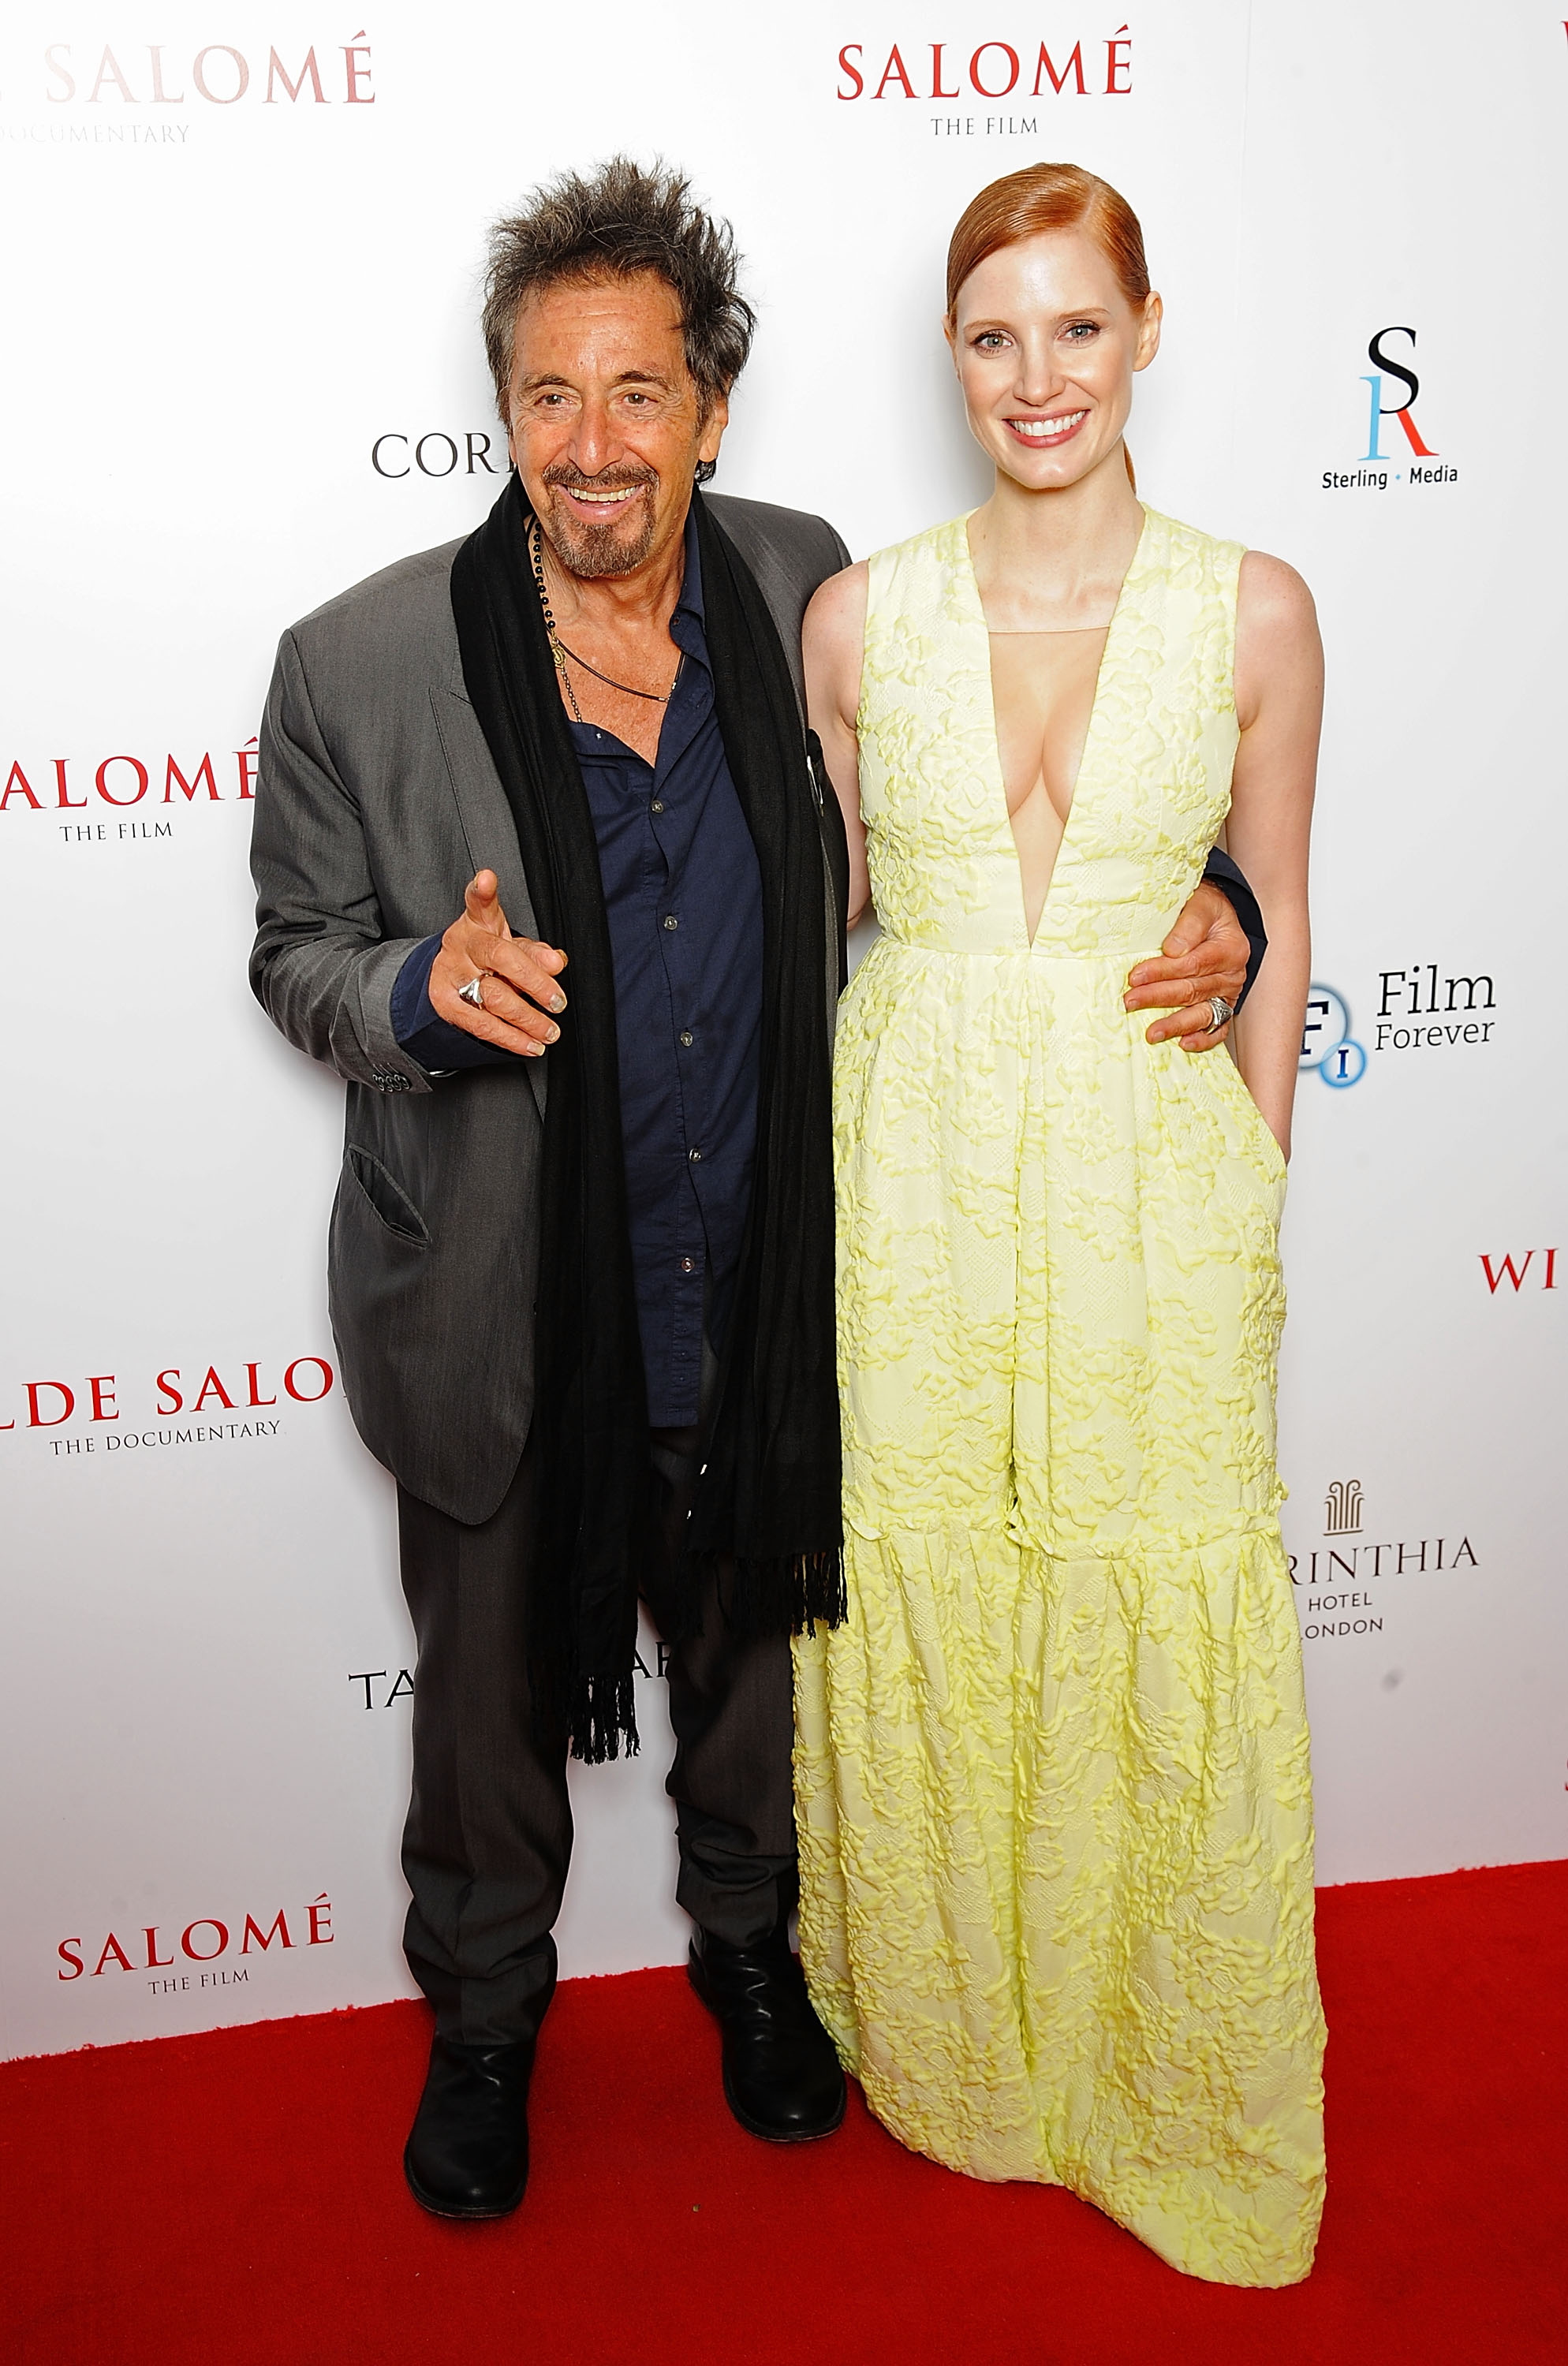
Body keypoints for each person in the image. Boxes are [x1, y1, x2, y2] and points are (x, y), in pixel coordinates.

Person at [248, 158, 1263, 2223]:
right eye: (549, 395)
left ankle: (752, 1958)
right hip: (510, 1287)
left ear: (711, 407)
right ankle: (485, 2019)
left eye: (639, 392)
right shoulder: (359, 660)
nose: (592, 443)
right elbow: (294, 952)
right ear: (502, 411)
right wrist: (419, 989)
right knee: (483, 1710)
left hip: (772, 1262)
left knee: (754, 1668)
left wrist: (1217, 890)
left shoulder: (808, 586)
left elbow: (999, 808)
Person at [793, 162, 1326, 2288]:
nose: (1039, 376)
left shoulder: (1252, 609)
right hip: (910, 1185)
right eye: (995, 335)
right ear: (951, 356)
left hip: (1151, 1188)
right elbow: (815, 912)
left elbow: (1280, 910)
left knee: (1151, 1572)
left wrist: (1255, 1188)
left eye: (1078, 327)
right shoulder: (857, 621)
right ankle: (962, 2057)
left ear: (1145, 331)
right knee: (930, 1570)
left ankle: (1155, 2075)